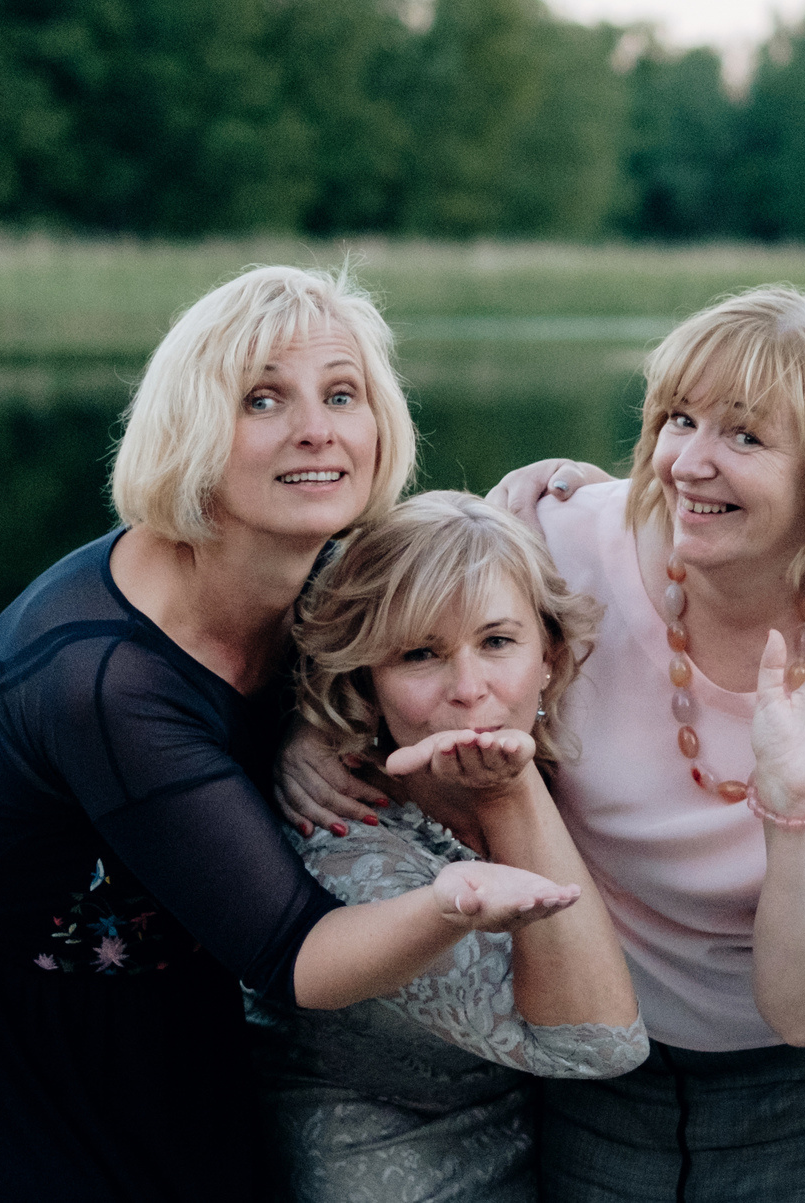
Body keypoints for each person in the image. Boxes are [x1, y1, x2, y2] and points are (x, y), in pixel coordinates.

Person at [0, 267, 584, 1203]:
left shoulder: (328, 561)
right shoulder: (100, 679)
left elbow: (474, 588)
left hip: (172, 1003)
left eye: (341, 394)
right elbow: (300, 958)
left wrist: (587, 504)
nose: (316, 429)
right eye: (263, 399)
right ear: (191, 428)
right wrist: (452, 903)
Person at [282, 286, 805, 1203]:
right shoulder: (559, 537)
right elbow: (390, 615)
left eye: (745, 435)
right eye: (678, 418)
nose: (688, 462)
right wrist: (312, 729)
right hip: (592, 1067)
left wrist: (793, 805)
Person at [248, 490, 649, 1203]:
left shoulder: (584, 742)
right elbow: (599, 1044)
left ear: (550, 655)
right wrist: (509, 793)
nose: (469, 689)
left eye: (497, 642)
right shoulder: (340, 844)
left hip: (561, 1160)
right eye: (419, 654)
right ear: (366, 680)